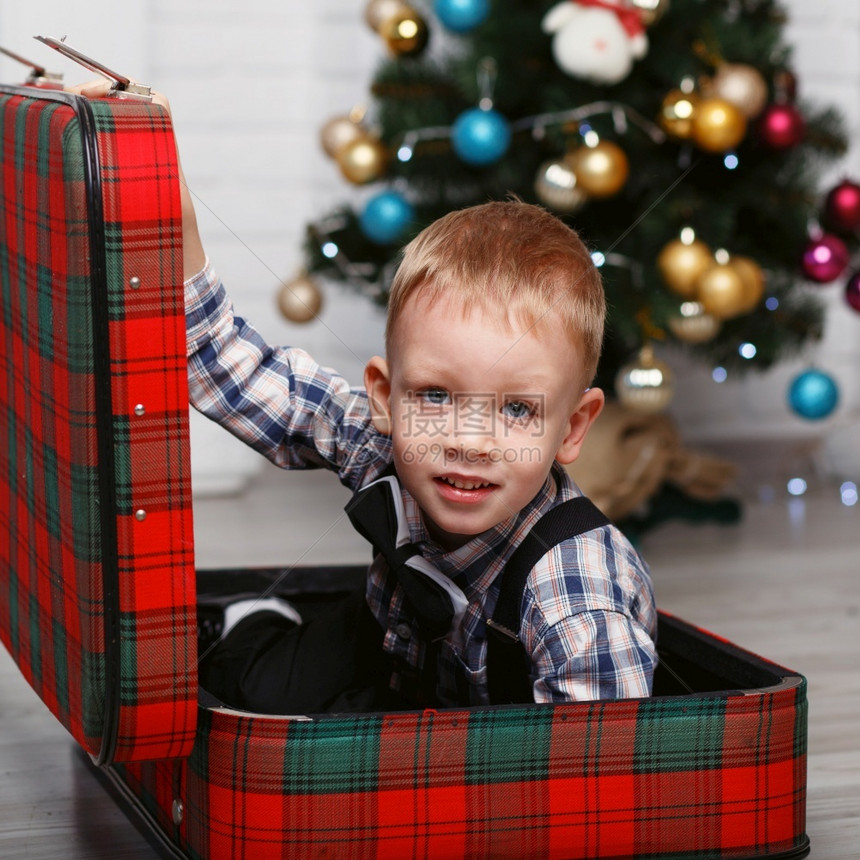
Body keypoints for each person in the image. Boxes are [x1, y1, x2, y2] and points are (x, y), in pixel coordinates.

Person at [73, 80, 658, 714]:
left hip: (489, 727)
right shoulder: (385, 441)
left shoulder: (574, 598)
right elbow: (226, 363)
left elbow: (602, 777)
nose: (467, 439)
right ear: (386, 396)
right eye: (435, 395)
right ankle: (253, 622)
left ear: (573, 427)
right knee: (255, 688)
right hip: (389, 652)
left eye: (517, 409)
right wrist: (157, 180)